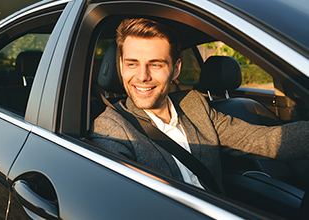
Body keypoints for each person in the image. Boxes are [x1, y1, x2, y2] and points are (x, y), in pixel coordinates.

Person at [89, 18, 309, 193]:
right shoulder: (110, 129)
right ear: (121, 66)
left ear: (176, 70)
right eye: (132, 64)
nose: (142, 76)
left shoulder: (195, 104)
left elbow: (261, 140)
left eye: (155, 64)